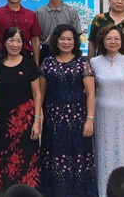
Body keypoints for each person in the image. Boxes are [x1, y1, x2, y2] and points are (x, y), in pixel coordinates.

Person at [39, 24, 98, 197]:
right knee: (55, 160)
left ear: (75, 41)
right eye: (62, 39)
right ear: (56, 41)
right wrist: (39, 117)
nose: (66, 42)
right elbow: (41, 93)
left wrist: (90, 120)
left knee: (77, 160)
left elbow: (91, 94)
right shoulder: (47, 63)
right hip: (53, 121)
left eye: (70, 39)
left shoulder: (82, 63)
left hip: (77, 120)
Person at [90, 24, 124, 197]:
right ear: (102, 41)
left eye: (117, 39)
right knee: (102, 156)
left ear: (122, 41)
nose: (113, 42)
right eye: (109, 39)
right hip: (101, 116)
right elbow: (90, 92)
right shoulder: (94, 63)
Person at [0, 27, 41, 190]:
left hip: (25, 122)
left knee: (24, 162)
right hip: (1, 122)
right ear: (4, 42)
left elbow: (37, 93)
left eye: (19, 41)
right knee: (2, 160)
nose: (15, 45)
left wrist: (37, 120)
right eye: (11, 40)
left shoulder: (29, 64)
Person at [36, 0, 84, 64]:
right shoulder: (39, 12)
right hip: (46, 52)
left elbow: (77, 35)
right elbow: (36, 38)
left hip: (67, 53)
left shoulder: (71, 11)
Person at [0, 0, 41, 66]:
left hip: (26, 58)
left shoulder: (30, 14)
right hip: (3, 58)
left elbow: (35, 40)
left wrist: (36, 63)